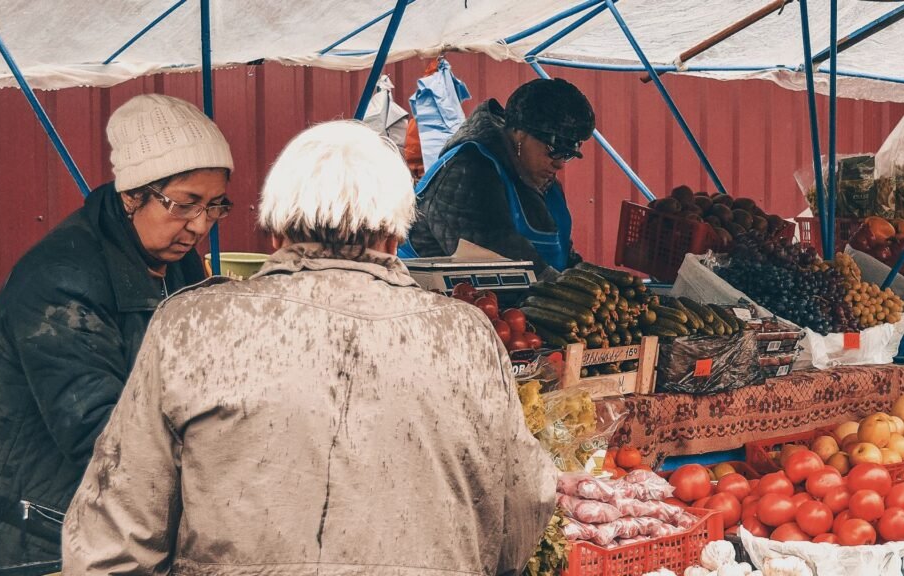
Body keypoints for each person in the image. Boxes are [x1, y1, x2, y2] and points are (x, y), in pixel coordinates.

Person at [62, 121, 557, 575]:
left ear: (277, 231)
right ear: (394, 237)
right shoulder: (467, 338)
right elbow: (523, 507)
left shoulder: (191, 327)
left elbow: (112, 539)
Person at [0, 93, 234, 564]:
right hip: (39, 529)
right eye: (184, 204)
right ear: (132, 194)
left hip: (125, 512)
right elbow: (101, 435)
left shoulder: (174, 262)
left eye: (215, 206)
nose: (200, 225)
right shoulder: (59, 282)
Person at [405, 77, 595, 279]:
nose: (560, 164)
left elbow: (563, 255)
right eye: (553, 150)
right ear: (520, 133)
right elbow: (502, 262)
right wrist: (568, 292)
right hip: (441, 302)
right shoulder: (467, 172)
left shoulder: (544, 180)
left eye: (567, 155)